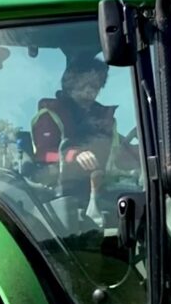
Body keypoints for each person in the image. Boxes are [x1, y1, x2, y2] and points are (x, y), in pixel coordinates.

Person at [31, 55, 133, 199]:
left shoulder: (105, 120)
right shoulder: (49, 116)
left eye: (95, 85)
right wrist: (74, 155)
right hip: (59, 196)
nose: (89, 90)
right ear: (70, 85)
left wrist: (141, 154)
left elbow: (118, 156)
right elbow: (44, 155)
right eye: (83, 84)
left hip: (102, 191)